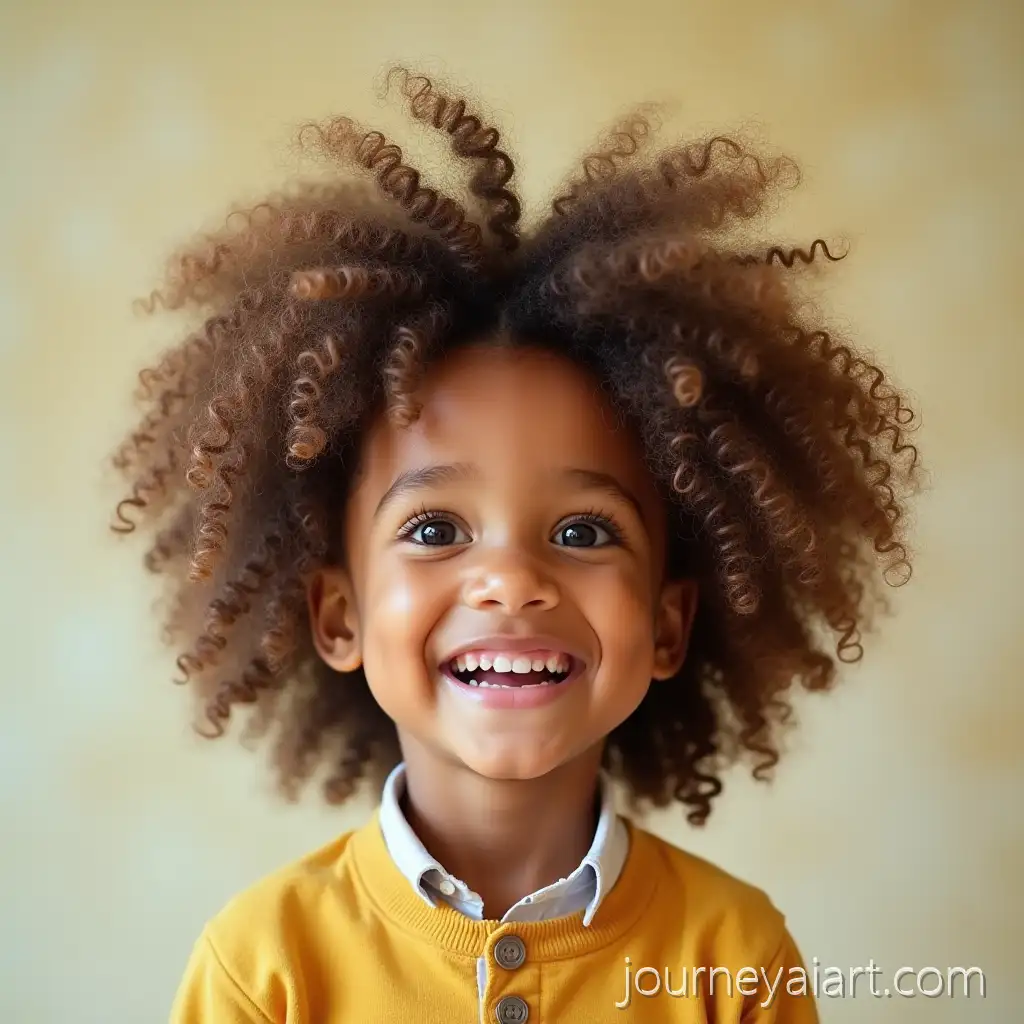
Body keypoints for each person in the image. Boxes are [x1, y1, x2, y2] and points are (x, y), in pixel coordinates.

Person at [109, 66, 921, 1022]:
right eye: (435, 529)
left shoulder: (733, 959)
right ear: (339, 615)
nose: (510, 580)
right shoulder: (264, 967)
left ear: (667, 626)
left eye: (582, 531)